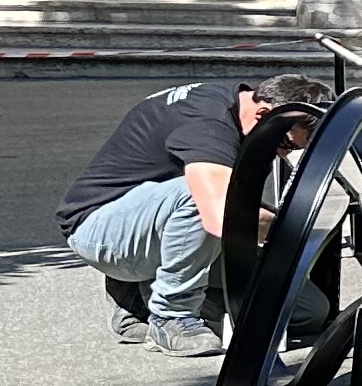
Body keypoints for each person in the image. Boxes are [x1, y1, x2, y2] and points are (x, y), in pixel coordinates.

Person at [56, 70, 325, 358]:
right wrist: (289, 228)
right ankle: (171, 316)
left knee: (307, 310)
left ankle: (138, 299)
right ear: (263, 114)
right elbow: (222, 214)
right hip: (100, 228)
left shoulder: (240, 105)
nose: (284, 155)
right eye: (287, 145)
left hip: (153, 223)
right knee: (201, 196)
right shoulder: (210, 124)